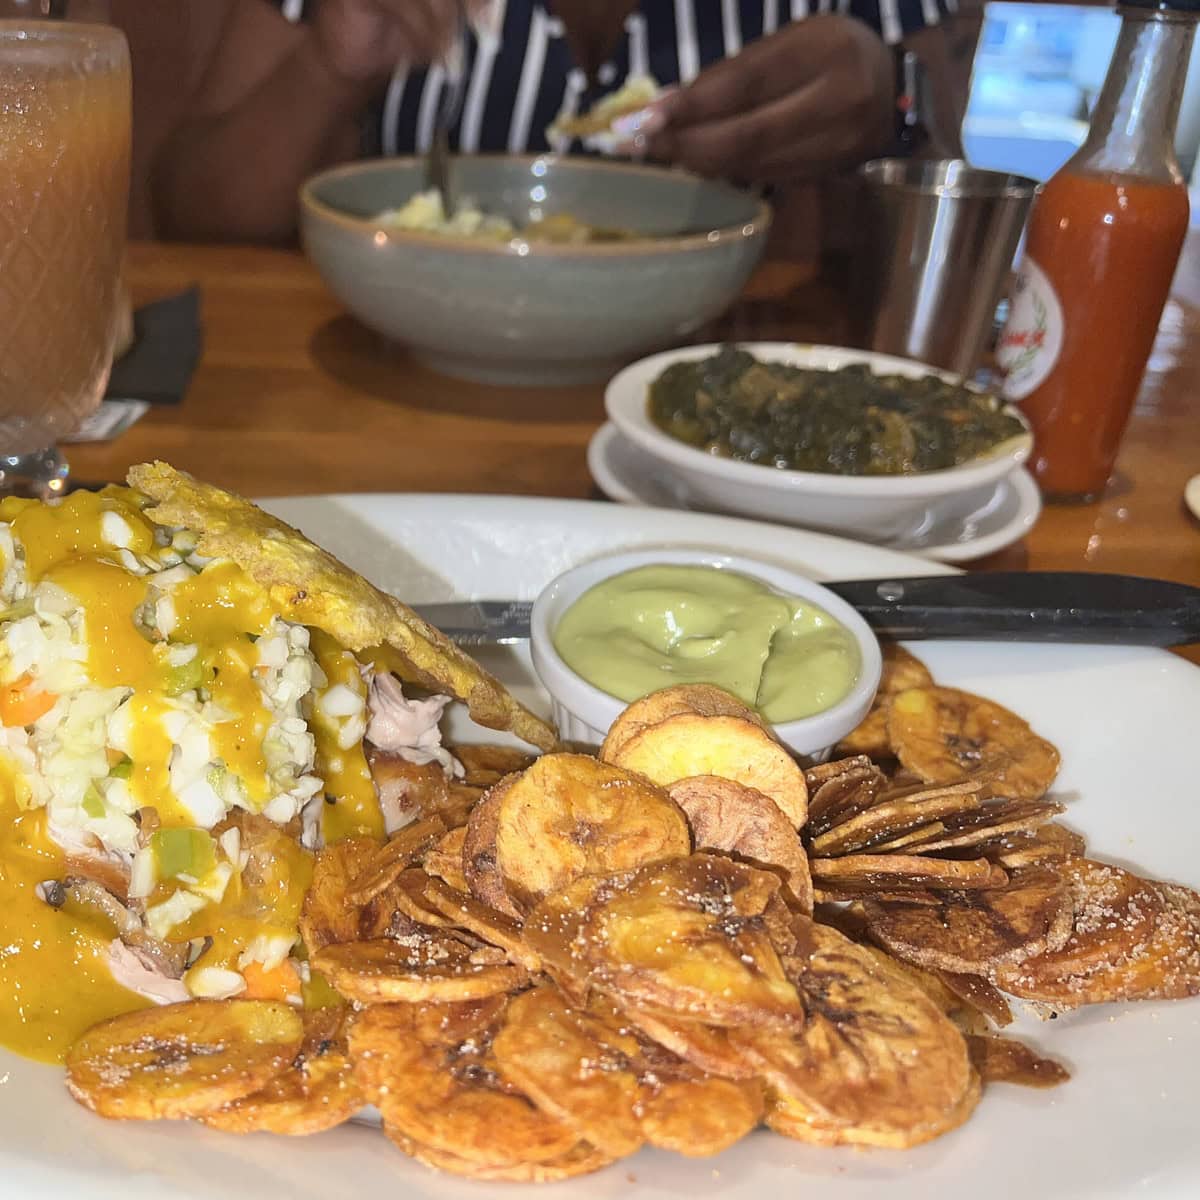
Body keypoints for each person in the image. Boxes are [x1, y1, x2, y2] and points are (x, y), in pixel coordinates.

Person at [151, 0, 960, 243]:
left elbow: (1052, 130)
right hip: (405, 403)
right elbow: (194, 210)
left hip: (727, 405)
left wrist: (902, 94)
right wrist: (330, 65)